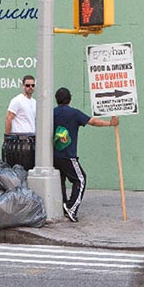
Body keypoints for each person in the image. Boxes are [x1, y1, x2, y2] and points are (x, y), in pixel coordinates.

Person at [52, 87, 118, 222]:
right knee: (81, 179)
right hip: (68, 155)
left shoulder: (52, 112)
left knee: (60, 181)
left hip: (54, 155)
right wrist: (110, 123)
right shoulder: (74, 113)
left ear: (57, 99)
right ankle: (71, 207)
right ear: (69, 99)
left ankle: (63, 206)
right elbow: (92, 121)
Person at [3, 74, 37, 170]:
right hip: (19, 141)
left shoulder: (34, 102)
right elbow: (9, 118)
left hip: (31, 140)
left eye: (33, 85)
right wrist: (7, 137)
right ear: (23, 86)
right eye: (28, 85)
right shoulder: (17, 100)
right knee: (20, 169)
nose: (30, 87)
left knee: (30, 168)